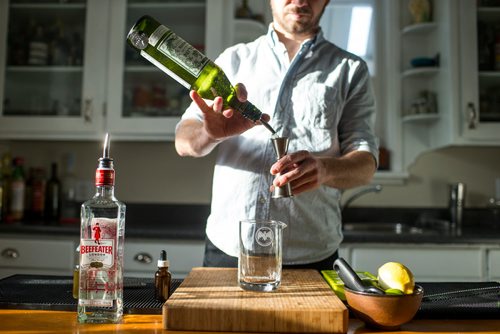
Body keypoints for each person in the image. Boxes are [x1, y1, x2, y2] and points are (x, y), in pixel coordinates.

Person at [175, 0, 378, 271]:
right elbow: (183, 140)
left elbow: (365, 165)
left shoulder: (350, 69)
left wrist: (325, 169)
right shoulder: (234, 60)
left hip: (311, 254)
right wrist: (209, 134)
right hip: (228, 250)